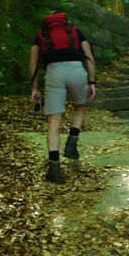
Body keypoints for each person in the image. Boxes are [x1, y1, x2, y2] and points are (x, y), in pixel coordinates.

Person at [29, 12, 96, 184]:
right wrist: (91, 81)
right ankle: (71, 144)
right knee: (79, 106)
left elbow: (33, 63)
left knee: (53, 120)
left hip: (54, 72)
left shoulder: (41, 36)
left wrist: (35, 87)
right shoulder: (75, 31)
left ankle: (54, 168)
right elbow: (88, 56)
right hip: (75, 70)